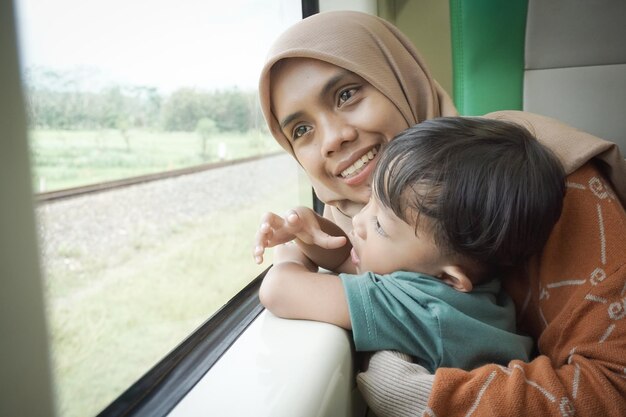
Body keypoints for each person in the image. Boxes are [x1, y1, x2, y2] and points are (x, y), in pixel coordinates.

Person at [255, 10, 626, 417]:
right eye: (301, 130)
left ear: (399, 78)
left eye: (346, 94)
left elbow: (613, 387)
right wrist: (303, 238)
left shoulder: (551, 175)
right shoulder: (357, 218)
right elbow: (351, 256)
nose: (332, 139)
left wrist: (424, 394)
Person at [256, 116, 568, 373]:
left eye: (379, 224)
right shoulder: (463, 285)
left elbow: (279, 290)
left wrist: (288, 252)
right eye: (370, 203)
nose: (359, 223)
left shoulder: (424, 307)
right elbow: (349, 257)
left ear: (448, 278)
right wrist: (305, 224)